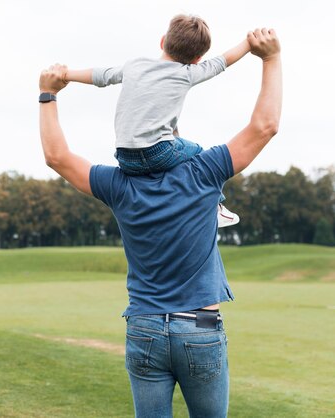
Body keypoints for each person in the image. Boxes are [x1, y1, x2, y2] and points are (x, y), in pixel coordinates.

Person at [38, 27, 281, 418]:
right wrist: (270, 58)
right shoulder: (204, 172)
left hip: (144, 325)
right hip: (200, 325)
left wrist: (48, 94)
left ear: (162, 45)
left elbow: (57, 156)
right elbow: (264, 126)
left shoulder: (118, 185)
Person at [63, 14, 251, 227]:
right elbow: (222, 62)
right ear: (197, 59)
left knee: (174, 133)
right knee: (198, 151)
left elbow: (101, 76)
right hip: (158, 153)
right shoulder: (188, 73)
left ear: (163, 41)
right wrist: (248, 43)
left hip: (125, 157)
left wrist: (66, 74)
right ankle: (216, 207)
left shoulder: (135, 65)